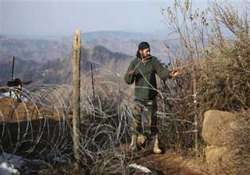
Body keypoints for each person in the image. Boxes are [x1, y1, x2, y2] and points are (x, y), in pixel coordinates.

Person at [124, 41, 180, 154]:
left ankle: (155, 145)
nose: (149, 52)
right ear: (140, 51)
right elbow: (128, 80)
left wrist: (170, 74)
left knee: (152, 123)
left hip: (151, 98)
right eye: (146, 51)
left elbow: (162, 72)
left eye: (149, 50)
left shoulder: (153, 61)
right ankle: (133, 144)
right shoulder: (135, 63)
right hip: (138, 98)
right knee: (136, 121)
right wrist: (131, 74)